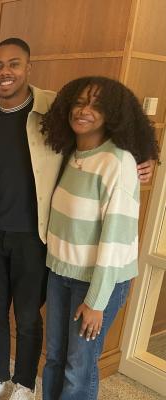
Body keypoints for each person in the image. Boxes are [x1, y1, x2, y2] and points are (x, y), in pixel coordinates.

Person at [0, 38, 155, 400]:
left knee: (29, 317)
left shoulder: (55, 107)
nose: (6, 72)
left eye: (15, 64)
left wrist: (143, 157)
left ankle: (23, 383)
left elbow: (108, 124)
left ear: (28, 68)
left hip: (36, 237)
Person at [41, 77, 158, 399]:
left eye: (96, 105)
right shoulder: (68, 154)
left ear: (113, 114)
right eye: (79, 102)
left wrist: (96, 303)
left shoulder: (118, 162)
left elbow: (116, 242)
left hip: (97, 283)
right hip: (61, 274)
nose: (84, 111)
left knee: (78, 369)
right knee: (54, 359)